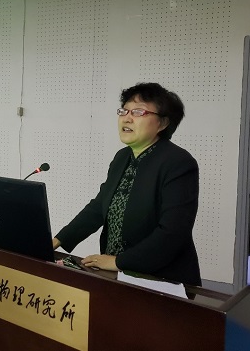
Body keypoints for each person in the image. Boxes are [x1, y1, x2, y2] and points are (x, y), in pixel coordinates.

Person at [53, 82, 201, 286]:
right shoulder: (122, 157)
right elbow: (99, 207)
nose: (127, 118)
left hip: (161, 279)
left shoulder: (178, 163)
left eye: (139, 112)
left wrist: (118, 261)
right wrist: (58, 240)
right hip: (117, 275)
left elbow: (173, 233)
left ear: (163, 123)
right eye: (124, 110)